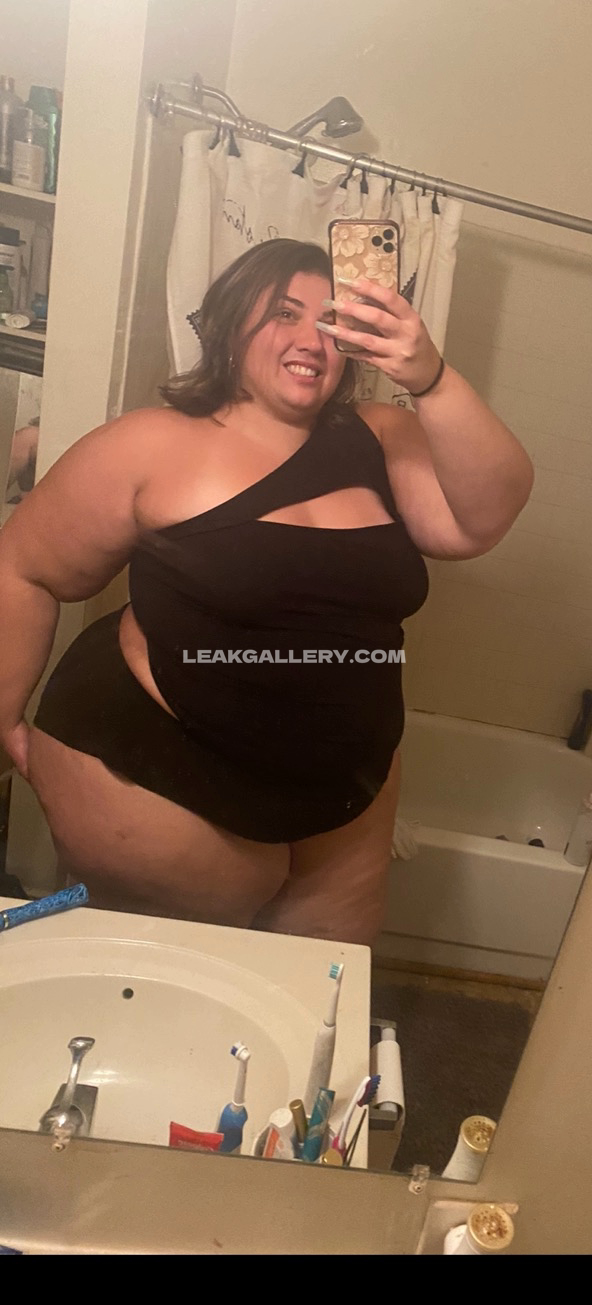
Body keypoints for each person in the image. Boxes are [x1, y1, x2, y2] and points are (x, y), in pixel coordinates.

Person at [0, 239, 533, 944]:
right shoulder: (147, 444)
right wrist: (4, 717)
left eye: (330, 319)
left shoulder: (381, 435)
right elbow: (23, 567)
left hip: (347, 784)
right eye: (284, 312)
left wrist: (430, 378)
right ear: (230, 325)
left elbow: (484, 518)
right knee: (191, 983)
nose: (311, 338)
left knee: (319, 987)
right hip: (157, 769)